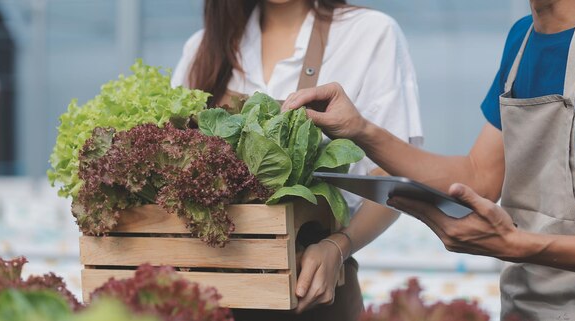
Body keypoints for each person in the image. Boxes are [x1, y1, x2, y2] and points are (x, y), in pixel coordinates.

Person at [282, 0, 575, 320]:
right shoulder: (523, 39)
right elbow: (479, 174)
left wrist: (520, 246)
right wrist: (361, 130)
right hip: (525, 307)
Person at [171, 1, 423, 320]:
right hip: (210, 296)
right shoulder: (203, 48)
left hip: (313, 293)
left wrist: (339, 245)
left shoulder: (370, 34)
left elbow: (392, 178)